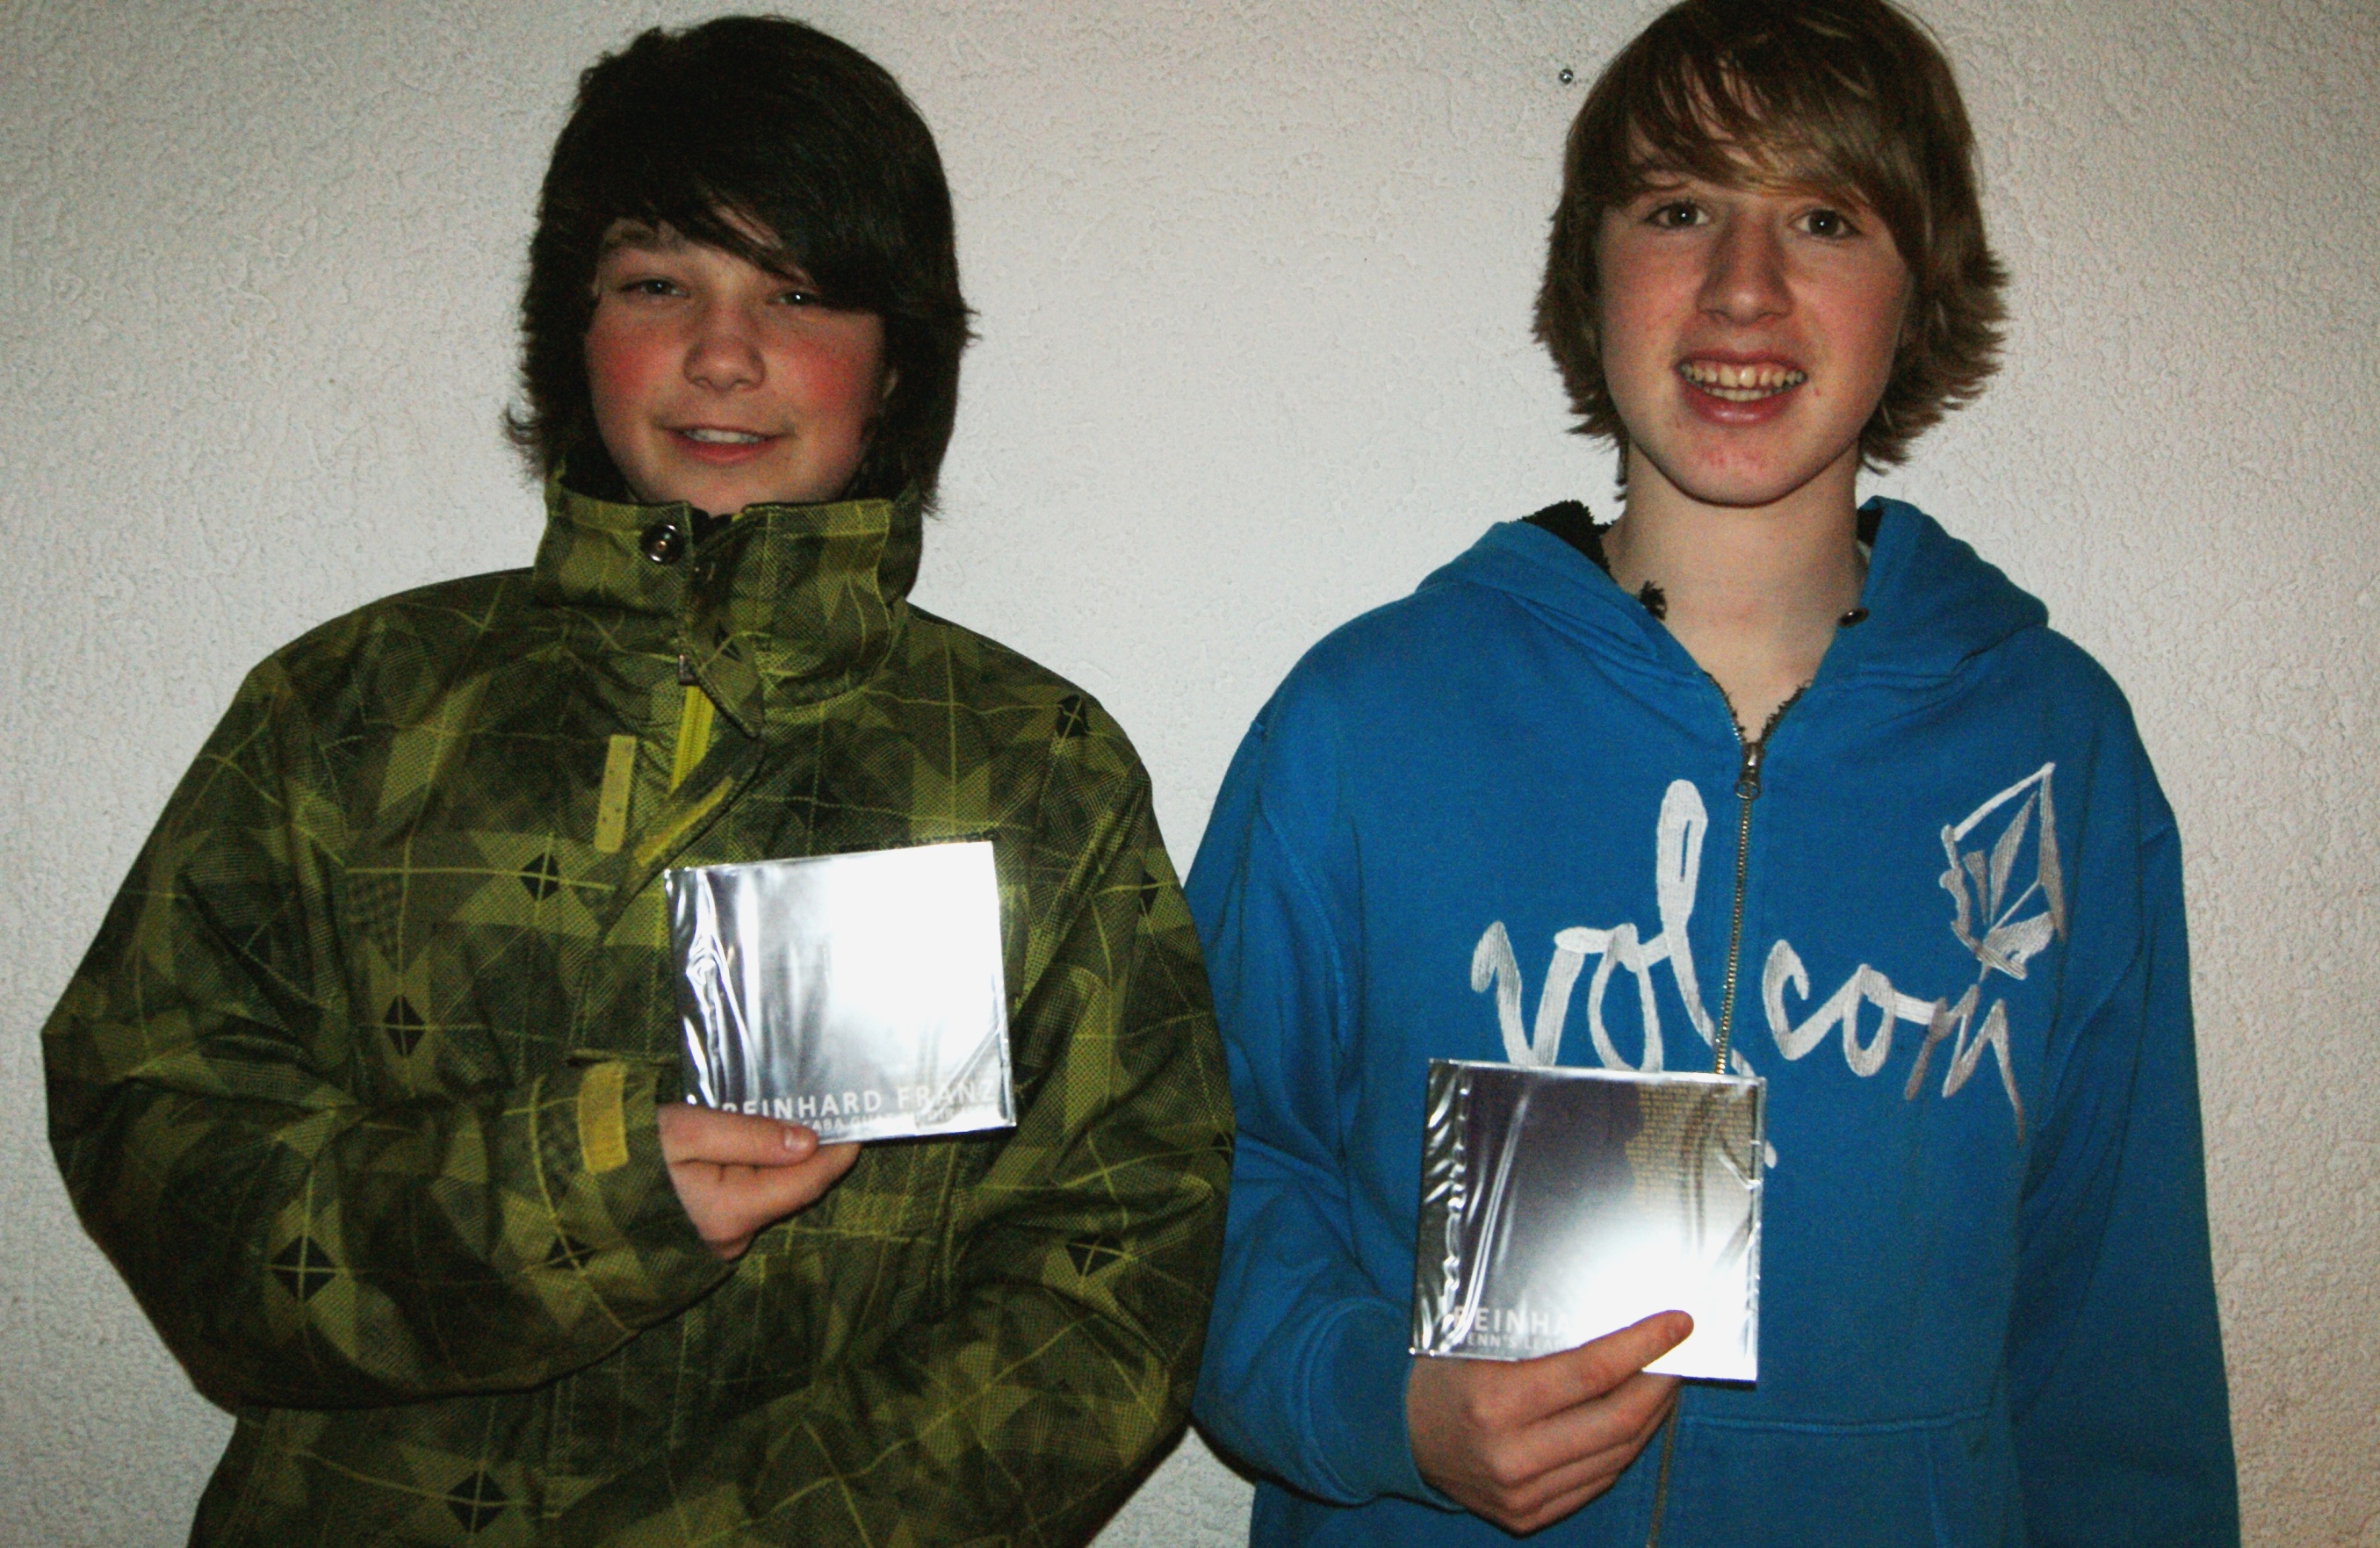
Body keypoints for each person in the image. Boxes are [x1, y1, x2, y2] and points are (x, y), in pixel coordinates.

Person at [43, 17, 1230, 1544]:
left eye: (796, 290)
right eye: (658, 282)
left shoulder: (1032, 762)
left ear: (895, 362)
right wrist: (571, 1202)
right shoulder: (347, 708)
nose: (723, 353)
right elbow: (158, 1137)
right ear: (572, 327)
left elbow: (1118, 1272)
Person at [1185, 0, 2237, 1543]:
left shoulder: (2053, 745)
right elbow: (1196, 1183)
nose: (1744, 287)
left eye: (1824, 218)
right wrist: (1379, 1408)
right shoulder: (1364, 719)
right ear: (1588, 272)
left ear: (1918, 287)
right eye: (1678, 209)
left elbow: (2115, 1326)